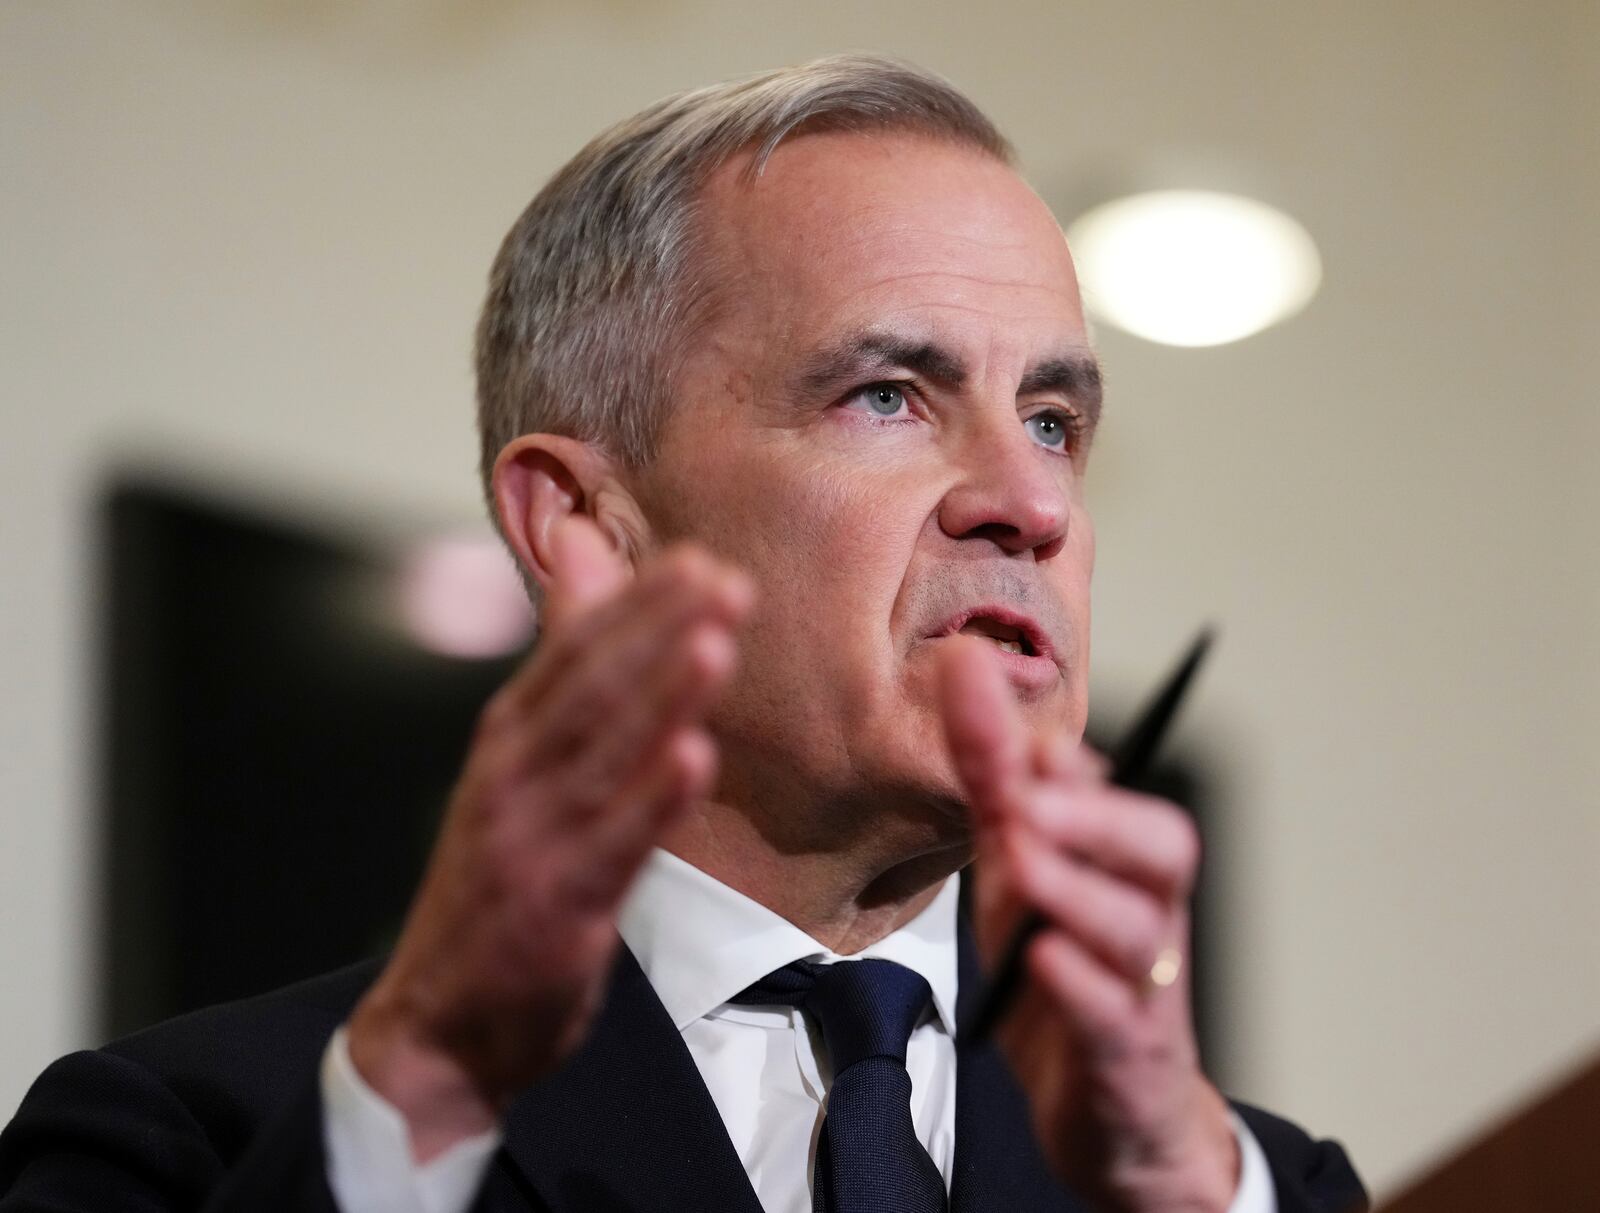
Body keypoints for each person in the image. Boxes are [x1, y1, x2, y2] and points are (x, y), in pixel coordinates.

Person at [0, 55, 1365, 1213]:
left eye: (1056, 421)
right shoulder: (186, 1146)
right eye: (889, 395)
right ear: (589, 523)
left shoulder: (1256, 1187)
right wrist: (426, 1080)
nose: (1031, 502)